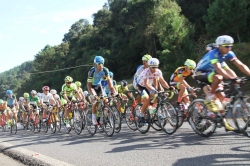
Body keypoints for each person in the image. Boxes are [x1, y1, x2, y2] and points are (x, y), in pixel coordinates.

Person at [194, 35, 250, 130]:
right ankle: (210, 98)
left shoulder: (226, 55)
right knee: (219, 77)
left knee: (222, 97)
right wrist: (230, 78)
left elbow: (239, 65)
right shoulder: (214, 54)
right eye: (226, 46)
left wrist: (236, 78)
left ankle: (220, 120)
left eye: (230, 46)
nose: (229, 48)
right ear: (219, 46)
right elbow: (219, 69)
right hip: (200, 73)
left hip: (211, 75)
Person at [87, 55, 116, 125]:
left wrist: (114, 92)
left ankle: (102, 118)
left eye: (102, 65)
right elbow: (89, 85)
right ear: (95, 64)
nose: (100, 67)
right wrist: (94, 95)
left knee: (106, 101)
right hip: (92, 87)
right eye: (98, 65)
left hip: (99, 86)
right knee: (96, 101)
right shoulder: (92, 71)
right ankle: (93, 117)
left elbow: (110, 83)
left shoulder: (105, 70)